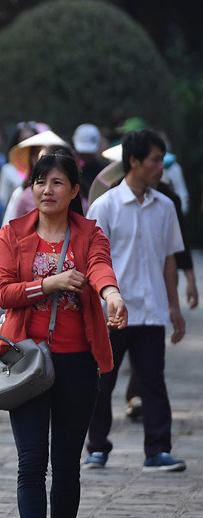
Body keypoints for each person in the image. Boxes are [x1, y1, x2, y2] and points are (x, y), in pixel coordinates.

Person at [0, 152, 127, 518]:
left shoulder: (90, 233)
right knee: (31, 459)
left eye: (56, 182)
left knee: (67, 461)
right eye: (40, 181)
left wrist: (111, 295)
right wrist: (49, 283)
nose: (46, 190)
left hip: (78, 361)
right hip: (26, 362)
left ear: (73, 191)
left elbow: (100, 267)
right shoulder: (13, 232)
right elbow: (3, 291)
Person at [84, 130, 187, 472]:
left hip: (152, 309)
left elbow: (169, 259)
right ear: (134, 161)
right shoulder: (105, 206)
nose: (161, 167)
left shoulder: (165, 206)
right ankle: (97, 447)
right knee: (102, 382)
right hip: (111, 312)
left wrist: (174, 307)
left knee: (153, 382)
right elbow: (92, 261)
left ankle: (157, 450)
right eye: (155, 160)